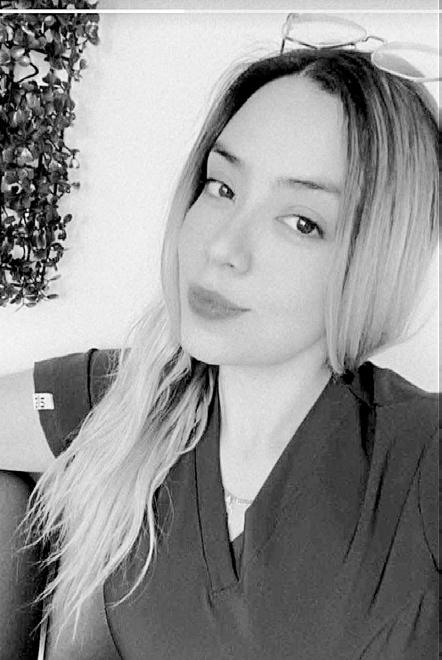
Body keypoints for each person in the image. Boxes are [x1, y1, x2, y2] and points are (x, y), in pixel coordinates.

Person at [0, 19, 439, 659]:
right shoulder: (126, 399)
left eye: (302, 222)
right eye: (223, 186)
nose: (224, 246)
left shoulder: (421, 457)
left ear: (377, 259)